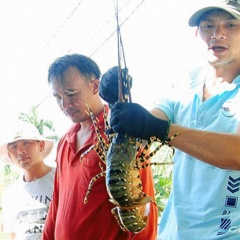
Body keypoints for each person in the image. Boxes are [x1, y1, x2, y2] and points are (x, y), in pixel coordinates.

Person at [99, 0, 240, 239]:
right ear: (198, 34)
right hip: (175, 232)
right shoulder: (185, 84)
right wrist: (117, 104)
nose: (218, 34)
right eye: (208, 26)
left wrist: (159, 129)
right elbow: (144, 129)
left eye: (231, 24)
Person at [42, 53, 158, 240]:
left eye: (71, 94)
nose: (65, 104)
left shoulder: (122, 131)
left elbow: (142, 203)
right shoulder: (64, 141)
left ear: (95, 86)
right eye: (58, 97)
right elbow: (57, 203)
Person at [0, 121, 55, 240]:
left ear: (41, 145)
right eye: (14, 147)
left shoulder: (61, 179)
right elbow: (12, 234)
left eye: (26, 143)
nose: (20, 151)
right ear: (10, 155)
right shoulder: (10, 194)